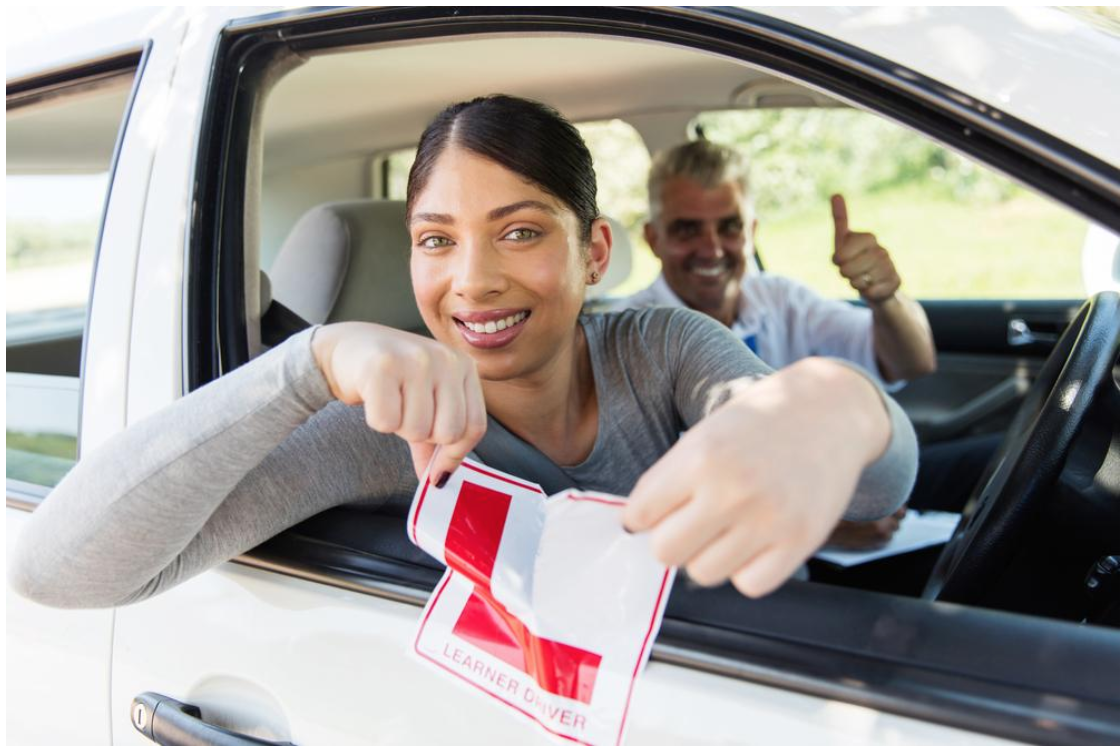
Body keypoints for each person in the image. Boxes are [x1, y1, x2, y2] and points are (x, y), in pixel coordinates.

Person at [9, 95, 917, 610]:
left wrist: (836, 401)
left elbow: (878, 486)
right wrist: (307, 365)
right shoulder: (381, 427)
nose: (473, 281)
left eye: (520, 232)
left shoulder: (660, 347)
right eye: (436, 241)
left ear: (594, 252)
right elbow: (57, 572)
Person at [616, 140, 956, 552]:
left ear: (752, 230)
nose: (712, 248)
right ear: (654, 238)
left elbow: (912, 362)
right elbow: (631, 498)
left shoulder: (779, 299)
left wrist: (886, 296)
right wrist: (818, 527)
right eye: (687, 229)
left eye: (729, 226)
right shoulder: (627, 335)